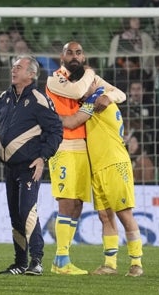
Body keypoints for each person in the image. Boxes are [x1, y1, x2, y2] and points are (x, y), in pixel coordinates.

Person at [0, 55, 62, 276]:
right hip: (10, 167)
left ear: (31, 74)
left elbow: (56, 131)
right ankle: (20, 262)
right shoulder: (5, 97)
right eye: (13, 67)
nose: (13, 70)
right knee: (16, 216)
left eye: (19, 67)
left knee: (27, 212)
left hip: (29, 167)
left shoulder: (39, 99)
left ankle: (37, 260)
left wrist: (43, 157)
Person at [45, 41, 126, 275]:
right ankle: (60, 259)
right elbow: (79, 92)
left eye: (78, 52)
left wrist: (107, 98)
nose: (74, 56)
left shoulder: (88, 78)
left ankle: (63, 259)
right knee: (67, 201)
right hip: (63, 145)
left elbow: (120, 93)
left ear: (83, 56)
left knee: (78, 204)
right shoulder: (55, 79)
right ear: (62, 57)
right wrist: (92, 77)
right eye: (69, 52)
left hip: (83, 146)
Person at [56, 80, 145, 277]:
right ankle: (110, 264)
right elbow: (119, 93)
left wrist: (47, 113)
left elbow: (71, 122)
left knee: (124, 214)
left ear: (93, 85)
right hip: (98, 167)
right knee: (105, 216)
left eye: (82, 86)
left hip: (114, 163)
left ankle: (136, 263)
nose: (78, 91)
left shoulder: (98, 99)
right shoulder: (97, 98)